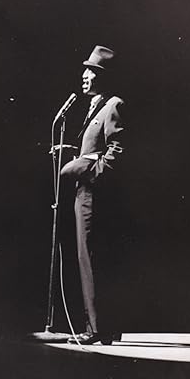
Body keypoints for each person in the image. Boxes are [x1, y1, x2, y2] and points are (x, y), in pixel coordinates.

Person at [61, 45, 125, 345]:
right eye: (86, 70)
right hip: (87, 192)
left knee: (89, 256)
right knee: (93, 256)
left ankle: (96, 328)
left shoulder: (113, 105)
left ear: (103, 77)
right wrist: (72, 154)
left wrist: (87, 171)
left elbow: (117, 152)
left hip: (93, 193)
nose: (84, 76)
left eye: (92, 72)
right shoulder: (95, 106)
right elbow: (95, 147)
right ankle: (105, 326)